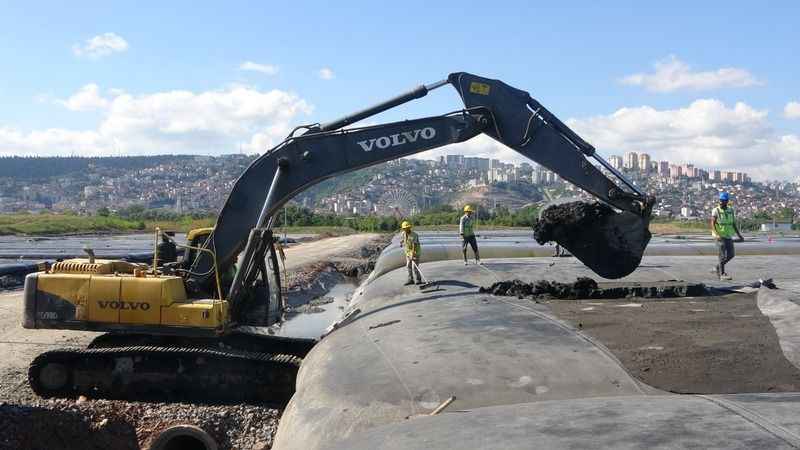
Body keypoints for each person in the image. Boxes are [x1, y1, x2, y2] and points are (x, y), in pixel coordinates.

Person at [711, 192, 744, 280]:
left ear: (727, 201)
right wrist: (717, 234)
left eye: (724, 201)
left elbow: (733, 224)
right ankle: (722, 274)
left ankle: (718, 267)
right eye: (721, 200)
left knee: (731, 255)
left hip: (728, 236)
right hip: (719, 236)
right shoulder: (716, 210)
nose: (721, 202)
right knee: (722, 255)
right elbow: (712, 224)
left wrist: (739, 235)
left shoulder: (730, 210)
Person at [400, 221, 422, 285]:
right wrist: (401, 242)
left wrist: (413, 254)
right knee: (408, 266)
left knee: (414, 267)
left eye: (407, 228)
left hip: (415, 252)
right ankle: (410, 279)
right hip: (408, 252)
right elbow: (404, 239)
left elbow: (414, 245)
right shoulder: (403, 233)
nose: (405, 229)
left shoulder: (414, 235)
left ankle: (418, 279)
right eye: (404, 228)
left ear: (409, 227)